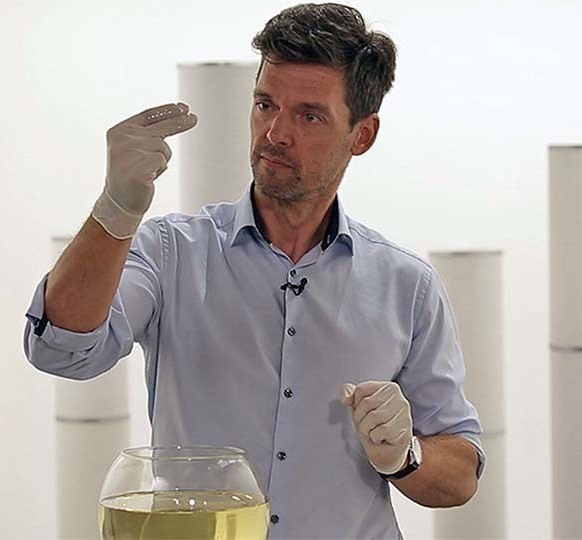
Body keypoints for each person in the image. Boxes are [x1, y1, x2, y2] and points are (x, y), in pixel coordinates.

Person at [24, 3, 484, 538]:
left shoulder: (408, 285)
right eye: (266, 105)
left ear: (362, 134)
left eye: (309, 116)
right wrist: (115, 210)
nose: (275, 133)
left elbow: (461, 475)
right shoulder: (171, 253)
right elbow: (62, 349)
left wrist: (405, 455)